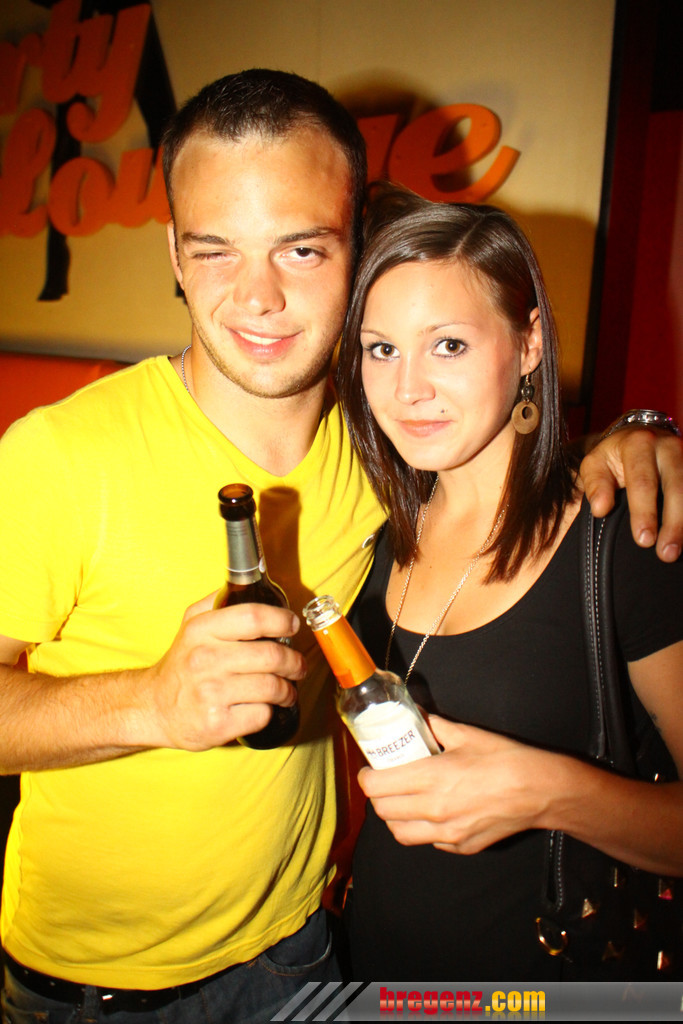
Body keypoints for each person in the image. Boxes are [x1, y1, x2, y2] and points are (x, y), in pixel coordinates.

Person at [0, 71, 679, 1019]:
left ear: (355, 249)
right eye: (215, 250)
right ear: (176, 256)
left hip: (308, 955)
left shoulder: (380, 460)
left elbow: (500, 445)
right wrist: (150, 702)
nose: (259, 297)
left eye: (301, 248)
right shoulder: (59, 455)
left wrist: (636, 435)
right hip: (96, 992)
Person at [336, 184, 683, 981]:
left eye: (448, 345)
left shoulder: (621, 537)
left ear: (528, 344)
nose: (407, 388)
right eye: (380, 350)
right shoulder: (374, 534)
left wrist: (547, 792)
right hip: (373, 968)